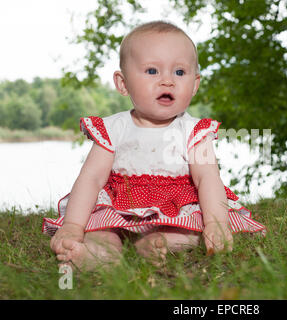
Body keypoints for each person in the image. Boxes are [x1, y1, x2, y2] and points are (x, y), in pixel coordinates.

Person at [42, 21, 266, 270]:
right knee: (101, 234)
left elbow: (208, 179)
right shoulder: (114, 129)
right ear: (123, 83)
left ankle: (156, 243)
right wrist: (73, 225)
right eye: (152, 71)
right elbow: (91, 179)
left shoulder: (194, 132)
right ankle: (95, 255)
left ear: (194, 85)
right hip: (121, 208)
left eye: (179, 72)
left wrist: (216, 223)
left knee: (191, 231)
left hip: (175, 211)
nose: (167, 81)